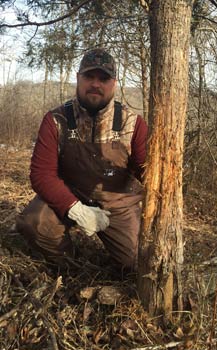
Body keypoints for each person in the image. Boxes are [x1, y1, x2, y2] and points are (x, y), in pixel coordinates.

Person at [16, 48, 147, 272]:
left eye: (103, 78)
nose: (95, 84)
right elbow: (41, 174)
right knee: (33, 223)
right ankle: (71, 266)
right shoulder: (56, 120)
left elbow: (147, 172)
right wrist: (76, 209)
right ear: (78, 78)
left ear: (113, 83)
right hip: (71, 194)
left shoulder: (132, 124)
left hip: (117, 204)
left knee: (136, 263)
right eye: (89, 76)